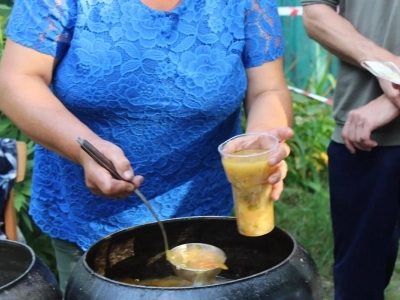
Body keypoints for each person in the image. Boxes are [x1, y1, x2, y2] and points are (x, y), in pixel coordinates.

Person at [0, 0, 293, 294]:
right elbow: (17, 79)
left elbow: (267, 89)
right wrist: (83, 149)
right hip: (89, 218)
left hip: (206, 216)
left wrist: (262, 144)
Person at [302, 1, 400, 299]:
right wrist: (387, 66)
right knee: (358, 284)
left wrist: (391, 97)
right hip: (366, 136)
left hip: (370, 120)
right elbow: (316, 15)